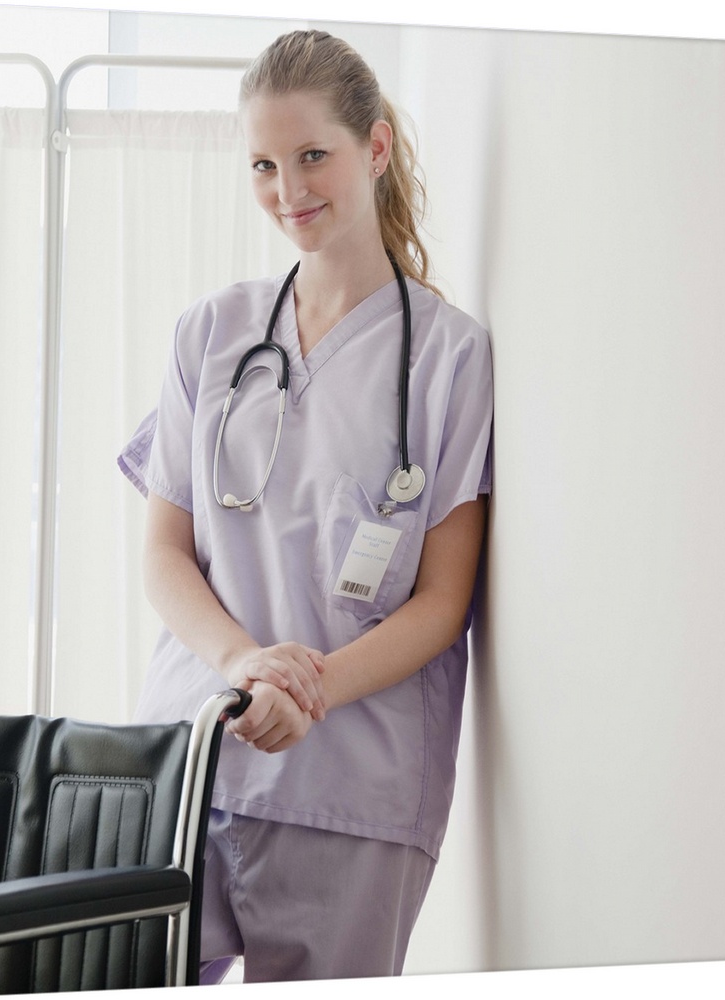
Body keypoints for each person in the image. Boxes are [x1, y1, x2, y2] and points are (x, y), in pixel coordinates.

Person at [118, 29, 493, 983]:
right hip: (193, 756)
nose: (290, 191)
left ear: (376, 147)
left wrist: (308, 691)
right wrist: (246, 666)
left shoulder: (450, 358)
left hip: (351, 789)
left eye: (312, 155)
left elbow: (444, 601)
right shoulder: (212, 332)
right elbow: (165, 551)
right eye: (264, 166)